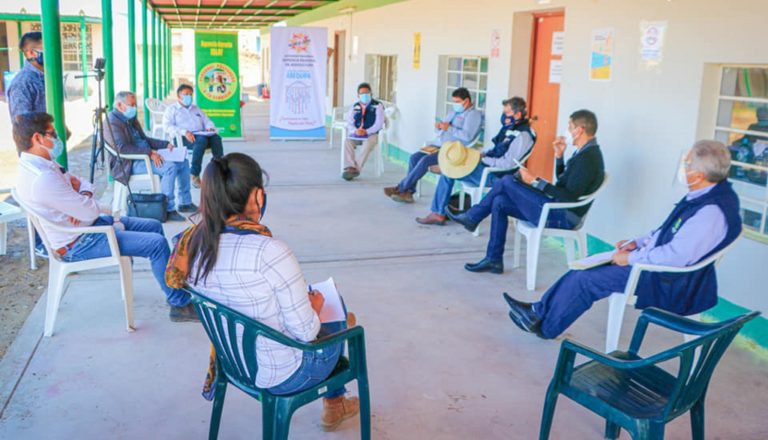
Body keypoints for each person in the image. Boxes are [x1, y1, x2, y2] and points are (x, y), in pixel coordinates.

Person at [165, 153, 360, 431]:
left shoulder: (190, 244)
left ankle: (336, 387)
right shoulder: (270, 252)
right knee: (334, 310)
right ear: (257, 196)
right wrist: (314, 309)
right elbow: (305, 334)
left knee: (312, 310)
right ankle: (335, 402)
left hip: (232, 363)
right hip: (283, 375)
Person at [503, 140, 742, 339]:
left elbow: (675, 257)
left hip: (669, 280)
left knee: (588, 280)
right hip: (656, 267)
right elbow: (665, 232)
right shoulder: (702, 195)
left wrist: (630, 258)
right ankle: (538, 311)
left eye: (687, 163)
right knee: (584, 266)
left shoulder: (711, 213)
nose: (683, 167)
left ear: (699, 175)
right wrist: (637, 243)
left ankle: (546, 328)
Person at [12, 112, 197, 322]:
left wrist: (82, 196)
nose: (58, 138)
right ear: (37, 138)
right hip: (79, 242)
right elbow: (90, 210)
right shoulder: (42, 178)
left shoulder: (41, 163)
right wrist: (84, 204)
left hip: (87, 226)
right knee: (157, 244)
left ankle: (167, 288)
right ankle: (179, 304)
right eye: (52, 133)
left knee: (154, 226)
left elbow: (84, 185)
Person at [448, 109, 605, 273]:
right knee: (499, 201)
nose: (567, 130)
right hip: (556, 208)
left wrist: (535, 182)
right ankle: (493, 259)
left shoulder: (588, 158)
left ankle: (472, 217)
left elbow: (569, 197)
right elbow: (564, 184)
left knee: (507, 180)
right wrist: (559, 157)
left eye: (570, 126)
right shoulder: (584, 152)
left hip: (562, 217)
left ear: (579, 130)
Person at [416, 97, 536, 225]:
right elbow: (497, 150)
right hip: (486, 167)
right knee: (456, 161)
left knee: (448, 172)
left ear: (517, 114)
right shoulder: (510, 129)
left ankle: (438, 213)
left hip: (495, 175)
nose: (504, 115)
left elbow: (508, 164)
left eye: (507, 113)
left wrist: (484, 159)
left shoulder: (523, 136)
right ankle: (439, 207)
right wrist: (482, 155)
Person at [104, 91, 195, 222]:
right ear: (119, 105)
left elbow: (144, 139)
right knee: (170, 167)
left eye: (135, 104)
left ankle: (185, 202)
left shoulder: (130, 119)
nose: (134, 108)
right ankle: (167, 209)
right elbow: (121, 148)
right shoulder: (112, 122)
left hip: (143, 156)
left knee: (183, 162)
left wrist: (164, 144)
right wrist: (150, 153)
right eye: (132, 104)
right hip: (129, 163)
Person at [384, 87, 483, 203]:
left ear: (466, 101)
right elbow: (441, 130)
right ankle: (408, 192)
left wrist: (449, 128)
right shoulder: (453, 112)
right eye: (454, 101)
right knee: (414, 158)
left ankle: (400, 188)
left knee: (425, 161)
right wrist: (439, 127)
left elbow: (468, 136)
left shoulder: (473, 115)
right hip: (438, 145)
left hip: (452, 150)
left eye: (457, 102)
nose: (455, 104)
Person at [163, 84, 223, 188]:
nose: (189, 97)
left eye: (190, 94)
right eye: (186, 94)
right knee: (201, 141)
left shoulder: (196, 109)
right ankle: (194, 174)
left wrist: (210, 127)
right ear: (178, 96)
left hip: (201, 135)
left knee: (216, 138)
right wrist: (184, 132)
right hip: (183, 138)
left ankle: (219, 169)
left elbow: (206, 120)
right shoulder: (172, 109)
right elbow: (167, 126)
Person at [342, 82, 384, 181]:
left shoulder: (378, 106)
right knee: (347, 141)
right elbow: (349, 122)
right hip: (357, 134)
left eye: (367, 93)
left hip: (371, 134)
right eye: (362, 94)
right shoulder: (354, 106)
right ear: (358, 95)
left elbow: (379, 124)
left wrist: (366, 131)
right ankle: (351, 166)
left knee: (367, 144)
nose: (364, 95)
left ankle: (355, 169)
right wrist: (356, 131)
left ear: (371, 93)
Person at [7, 32, 45, 120]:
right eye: (46, 49)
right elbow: (22, 123)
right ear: (32, 53)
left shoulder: (46, 77)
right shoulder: (22, 83)